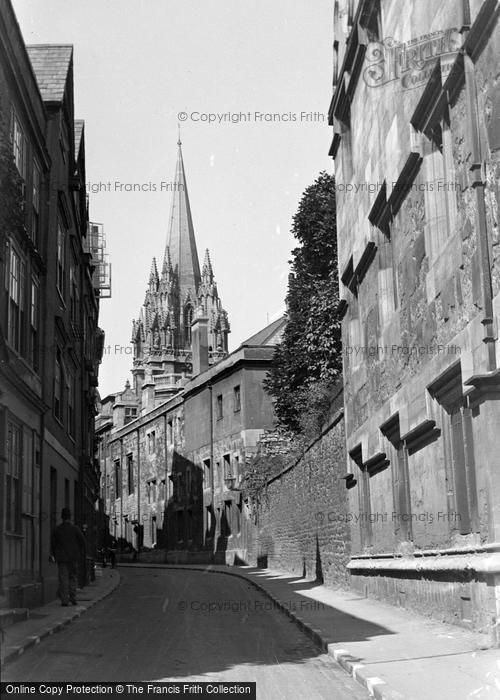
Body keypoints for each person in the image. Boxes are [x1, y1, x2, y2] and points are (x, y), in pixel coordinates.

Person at [50, 508, 86, 606]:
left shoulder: (58, 529)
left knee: (63, 578)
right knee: (72, 577)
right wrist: (78, 551)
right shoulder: (75, 529)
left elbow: (53, 544)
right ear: (70, 517)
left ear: (62, 517)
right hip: (73, 558)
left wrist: (54, 554)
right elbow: (83, 541)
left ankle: (64, 600)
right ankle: (73, 598)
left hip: (61, 558)